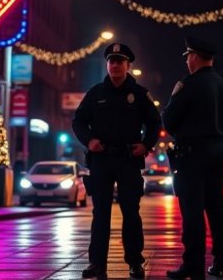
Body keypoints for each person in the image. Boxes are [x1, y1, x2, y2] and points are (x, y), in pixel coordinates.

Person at [72, 42, 161, 279]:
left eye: (119, 61)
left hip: (128, 159)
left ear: (128, 65)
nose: (115, 65)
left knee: (131, 212)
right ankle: (97, 263)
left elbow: (154, 122)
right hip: (101, 159)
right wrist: (89, 140)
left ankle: (135, 262)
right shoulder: (95, 93)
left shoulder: (140, 95)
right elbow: (78, 121)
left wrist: (146, 144)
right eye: (111, 61)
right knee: (101, 213)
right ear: (107, 65)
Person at [162, 37, 223, 280]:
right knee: (217, 209)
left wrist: (174, 97)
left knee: (192, 211)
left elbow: (169, 122)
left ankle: (193, 265)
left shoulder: (188, 85)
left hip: (192, 154)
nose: (186, 61)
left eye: (188, 56)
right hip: (218, 152)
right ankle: (222, 263)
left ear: (194, 56)